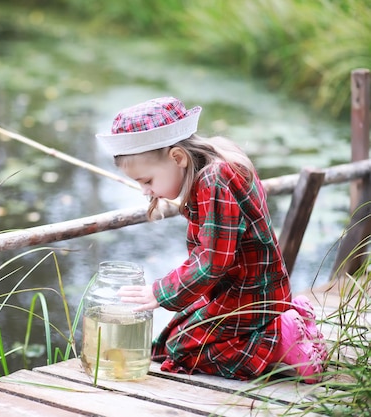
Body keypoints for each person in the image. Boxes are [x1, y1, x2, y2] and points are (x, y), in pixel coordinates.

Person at [95, 96, 328, 383]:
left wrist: (160, 292)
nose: (145, 191)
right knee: (167, 340)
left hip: (249, 293)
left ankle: (282, 342)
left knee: (182, 352)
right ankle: (286, 324)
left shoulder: (213, 180)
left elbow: (212, 262)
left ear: (178, 158)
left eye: (147, 181)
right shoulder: (218, 155)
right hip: (247, 288)